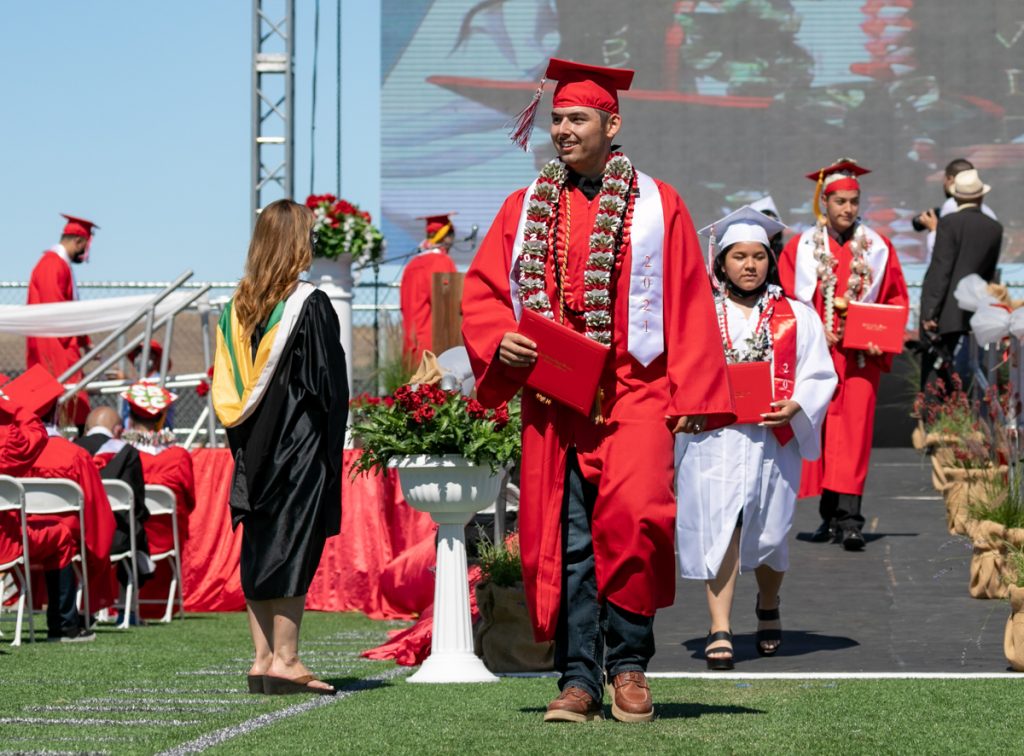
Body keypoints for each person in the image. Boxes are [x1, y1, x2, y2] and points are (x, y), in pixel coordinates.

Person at [461, 57, 734, 723]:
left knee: (637, 521)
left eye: (576, 118)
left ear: (612, 125)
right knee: (569, 539)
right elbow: (486, 293)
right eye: (556, 119)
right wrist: (500, 341)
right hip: (556, 399)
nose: (562, 130)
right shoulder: (522, 207)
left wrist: (693, 394)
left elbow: (688, 298)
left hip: (637, 391)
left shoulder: (658, 205)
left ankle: (630, 665)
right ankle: (579, 677)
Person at [676, 207, 837, 669]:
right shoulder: (697, 314)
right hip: (715, 441)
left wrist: (798, 404)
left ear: (770, 260)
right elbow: (677, 370)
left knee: (770, 531)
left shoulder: (796, 316)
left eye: (759, 256)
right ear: (721, 262)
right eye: (739, 256)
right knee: (720, 527)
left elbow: (819, 372)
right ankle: (720, 626)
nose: (750, 265)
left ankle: (768, 603)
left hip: (771, 439)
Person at [211, 199, 348, 696]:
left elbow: (230, 388)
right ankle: (287, 660)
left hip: (252, 448)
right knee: (291, 545)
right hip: (299, 447)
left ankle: (262, 659)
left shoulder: (236, 308)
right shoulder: (310, 305)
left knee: (259, 544)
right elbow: (327, 386)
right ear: (296, 244)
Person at [778, 159, 909, 551]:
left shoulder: (878, 249)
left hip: (859, 360)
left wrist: (882, 337)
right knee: (821, 433)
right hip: (816, 358)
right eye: (840, 201)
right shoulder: (801, 248)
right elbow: (786, 301)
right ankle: (829, 515)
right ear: (825, 202)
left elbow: (895, 300)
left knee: (853, 435)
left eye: (854, 201)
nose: (848, 209)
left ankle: (851, 521)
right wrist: (813, 330)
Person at [22, 375, 117, 642]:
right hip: (63, 542)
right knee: (66, 535)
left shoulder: (13, 452)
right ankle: (65, 622)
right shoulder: (73, 454)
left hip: (17, 536)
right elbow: (96, 512)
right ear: (56, 412)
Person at [919, 169, 1003, 390]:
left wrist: (930, 312)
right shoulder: (994, 228)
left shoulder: (949, 223)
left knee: (939, 381)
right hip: (975, 311)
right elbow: (988, 272)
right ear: (981, 196)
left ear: (956, 197)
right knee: (970, 378)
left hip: (946, 315)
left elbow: (941, 269)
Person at [0, 371, 77, 605]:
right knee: (62, 535)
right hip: (5, 543)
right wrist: (12, 406)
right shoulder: (8, 440)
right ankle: (64, 621)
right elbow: (36, 434)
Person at [26, 214, 99, 429]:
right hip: (55, 346)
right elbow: (56, 311)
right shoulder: (52, 264)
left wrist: (85, 341)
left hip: (60, 341)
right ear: (79, 241)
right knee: (65, 399)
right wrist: (76, 341)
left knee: (70, 402)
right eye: (84, 247)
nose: (84, 253)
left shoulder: (58, 264)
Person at [73, 406, 154, 595]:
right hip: (116, 538)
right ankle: (127, 605)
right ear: (118, 430)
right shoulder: (127, 453)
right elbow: (137, 504)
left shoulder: (70, 449)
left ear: (86, 428)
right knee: (134, 526)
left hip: (77, 538)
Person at [120, 381, 194, 584]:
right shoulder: (178, 456)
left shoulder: (119, 454)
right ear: (161, 417)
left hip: (127, 538)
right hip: (167, 538)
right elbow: (190, 501)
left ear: (130, 416)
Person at [400, 213, 459, 366]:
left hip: (410, 343)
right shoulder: (442, 262)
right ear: (446, 237)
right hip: (433, 344)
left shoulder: (411, 265)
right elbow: (450, 306)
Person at [913, 158, 998, 263]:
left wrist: (933, 229)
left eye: (945, 179)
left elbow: (943, 253)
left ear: (951, 179)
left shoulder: (951, 205)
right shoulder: (989, 214)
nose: (944, 184)